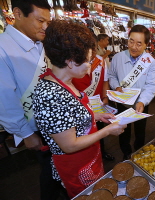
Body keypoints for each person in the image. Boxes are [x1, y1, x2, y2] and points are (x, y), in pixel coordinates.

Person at [32, 20, 126, 198]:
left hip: (88, 158)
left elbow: (72, 116)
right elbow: (69, 145)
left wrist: (96, 116)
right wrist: (106, 132)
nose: (90, 68)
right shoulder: (50, 95)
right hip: (74, 166)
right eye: (87, 61)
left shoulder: (65, 82)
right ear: (70, 61)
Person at [0, 1, 65, 199]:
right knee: (50, 173)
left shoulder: (40, 43)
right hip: (34, 127)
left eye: (48, 21)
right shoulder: (3, 49)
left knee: (60, 169)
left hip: (53, 121)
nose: (45, 27)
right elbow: (4, 100)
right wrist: (26, 133)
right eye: (40, 21)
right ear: (18, 14)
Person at [108, 25, 155, 160]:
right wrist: (116, 86)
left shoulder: (150, 62)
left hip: (141, 103)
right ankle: (126, 153)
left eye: (139, 43)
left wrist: (142, 101)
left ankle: (138, 151)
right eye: (131, 41)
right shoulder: (118, 57)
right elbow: (111, 76)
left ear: (146, 45)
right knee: (123, 130)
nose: (134, 47)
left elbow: (151, 85)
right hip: (122, 102)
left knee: (140, 131)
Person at [72, 38, 115, 161]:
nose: (93, 54)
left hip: (97, 104)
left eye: (95, 49)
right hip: (80, 107)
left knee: (99, 130)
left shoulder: (101, 62)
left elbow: (105, 81)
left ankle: (101, 153)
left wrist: (105, 97)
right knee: (84, 132)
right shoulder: (73, 64)